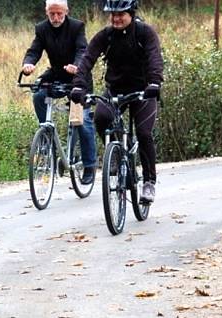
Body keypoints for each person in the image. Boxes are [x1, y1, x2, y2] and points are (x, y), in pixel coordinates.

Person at [70, 0, 163, 203]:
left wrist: (155, 83)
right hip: (115, 89)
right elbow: (87, 59)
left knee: (144, 133)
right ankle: (117, 153)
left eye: (121, 14)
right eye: (113, 14)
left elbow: (155, 58)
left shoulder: (145, 33)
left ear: (131, 13)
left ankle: (149, 182)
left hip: (143, 91)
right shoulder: (106, 35)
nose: (116, 18)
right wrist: (78, 85)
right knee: (101, 118)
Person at [22, 0, 97, 184]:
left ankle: (89, 166)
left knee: (83, 121)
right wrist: (28, 63)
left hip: (78, 79)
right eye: (52, 14)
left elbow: (82, 49)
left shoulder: (77, 26)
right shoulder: (41, 28)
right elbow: (34, 50)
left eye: (59, 14)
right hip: (56, 74)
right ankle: (46, 134)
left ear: (66, 11)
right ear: (46, 12)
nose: (55, 18)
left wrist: (77, 66)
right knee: (39, 94)